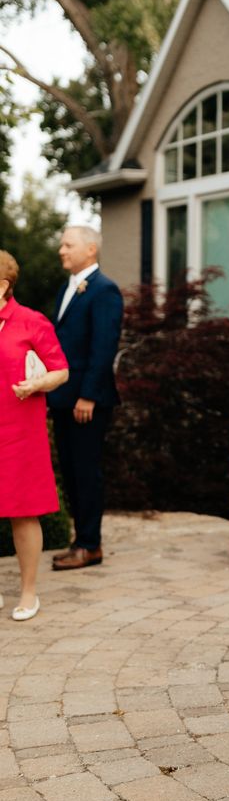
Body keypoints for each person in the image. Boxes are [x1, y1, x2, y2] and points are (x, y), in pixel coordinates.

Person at [48, 221, 124, 571]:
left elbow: (103, 346)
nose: (61, 250)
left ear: (90, 249)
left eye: (68, 245)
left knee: (85, 470)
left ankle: (90, 544)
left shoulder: (104, 290)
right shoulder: (69, 288)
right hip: (63, 397)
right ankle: (79, 539)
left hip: (86, 400)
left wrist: (89, 396)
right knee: (70, 470)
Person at [0, 250, 69, 620]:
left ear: (3, 286)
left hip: (18, 431)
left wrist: (36, 383)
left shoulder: (31, 322)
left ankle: (28, 593)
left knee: (22, 513)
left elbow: (61, 370)